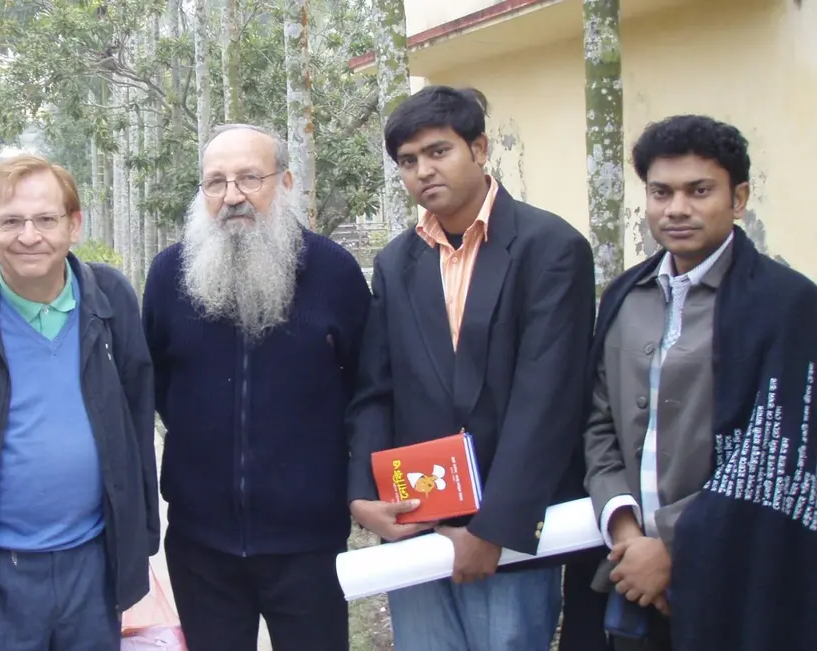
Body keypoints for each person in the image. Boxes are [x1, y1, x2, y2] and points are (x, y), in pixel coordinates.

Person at [345, 85, 597, 651]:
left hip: (506, 533)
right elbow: (375, 390)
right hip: (416, 526)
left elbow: (548, 400)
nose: (423, 171)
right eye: (408, 162)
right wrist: (363, 494)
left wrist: (495, 529)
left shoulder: (550, 248)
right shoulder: (396, 262)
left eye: (439, 151)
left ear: (479, 149)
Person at [584, 114, 817, 651]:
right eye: (661, 192)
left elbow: (776, 453)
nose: (677, 209)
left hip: (739, 572)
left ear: (738, 199)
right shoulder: (626, 295)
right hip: (628, 571)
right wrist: (625, 534)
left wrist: (669, 547)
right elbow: (598, 424)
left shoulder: (784, 303)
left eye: (699, 191)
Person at [142, 124, 371, 651]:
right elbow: (158, 385)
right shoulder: (169, 274)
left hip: (309, 540)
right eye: (216, 182)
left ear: (286, 182)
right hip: (200, 541)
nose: (232, 196)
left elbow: (368, 388)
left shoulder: (332, 271)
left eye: (250, 178)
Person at [0, 154, 159, 651]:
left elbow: (137, 418)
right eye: (10, 221)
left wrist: (140, 536)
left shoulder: (111, 298)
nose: (29, 235)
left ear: (74, 225)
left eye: (45, 219)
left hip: (91, 561)